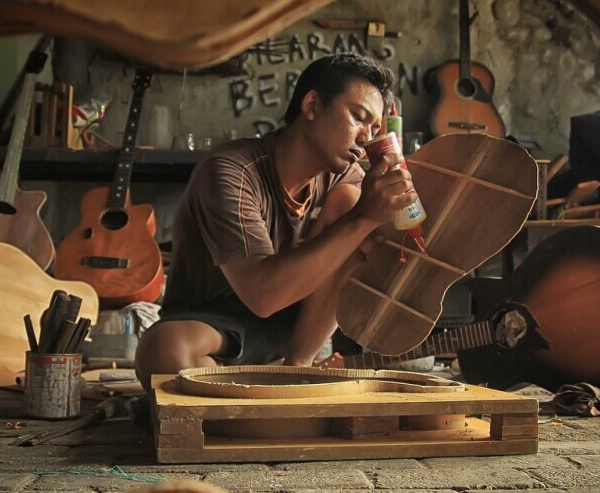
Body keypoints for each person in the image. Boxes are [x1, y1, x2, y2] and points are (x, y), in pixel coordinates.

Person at [134, 53, 419, 388]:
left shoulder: (344, 179)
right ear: (311, 105)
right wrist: (363, 217)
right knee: (164, 351)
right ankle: (258, 383)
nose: (365, 138)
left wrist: (394, 210)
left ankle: (296, 368)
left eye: (373, 129)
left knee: (353, 200)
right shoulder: (232, 171)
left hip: (294, 328)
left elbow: (380, 249)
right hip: (213, 328)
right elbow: (263, 296)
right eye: (358, 117)